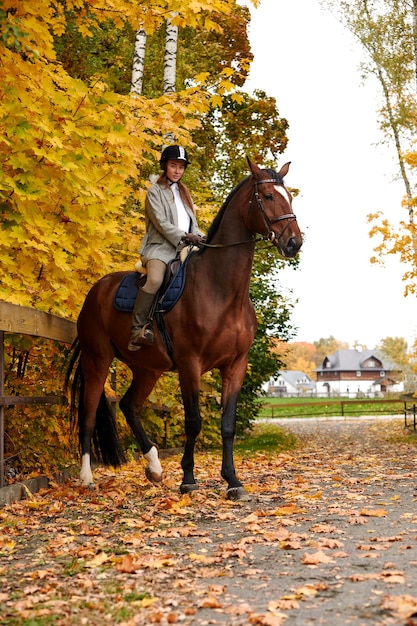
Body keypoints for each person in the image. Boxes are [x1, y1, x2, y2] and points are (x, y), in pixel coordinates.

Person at [128, 145, 205, 351]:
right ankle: (137, 329)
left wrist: (201, 237)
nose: (177, 170)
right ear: (165, 166)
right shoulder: (155, 192)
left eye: (181, 167)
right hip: (159, 248)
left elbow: (192, 224)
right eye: (173, 165)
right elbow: (161, 223)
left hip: (186, 247)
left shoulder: (185, 193)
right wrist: (184, 236)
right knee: (155, 279)